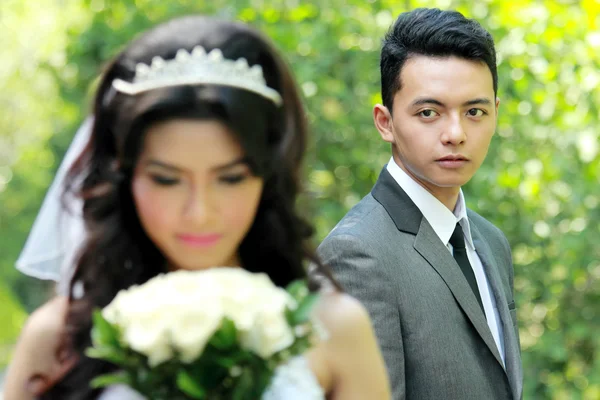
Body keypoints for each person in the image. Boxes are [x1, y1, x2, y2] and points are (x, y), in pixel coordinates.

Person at [4, 15, 391, 400]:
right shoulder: (57, 338)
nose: (199, 212)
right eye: (166, 180)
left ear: (267, 178)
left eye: (231, 178)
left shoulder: (335, 329)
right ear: (124, 177)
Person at [316, 8, 523, 400]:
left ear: (496, 112)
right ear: (385, 121)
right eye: (429, 112)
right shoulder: (356, 254)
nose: (456, 133)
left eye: (474, 112)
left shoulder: (490, 241)